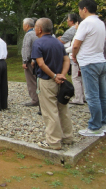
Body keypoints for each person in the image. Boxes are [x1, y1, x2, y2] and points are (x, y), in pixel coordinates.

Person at [31, 18, 73, 150]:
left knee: (50, 111)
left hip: (47, 81)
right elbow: (67, 60)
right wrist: (62, 75)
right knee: (63, 108)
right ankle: (67, 137)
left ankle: (53, 141)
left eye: (35, 27)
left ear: (39, 29)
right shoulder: (58, 42)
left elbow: (41, 63)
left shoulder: (38, 43)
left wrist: (54, 76)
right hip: (61, 81)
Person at [72, 0, 106, 137]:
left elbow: (76, 44)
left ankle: (95, 127)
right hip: (101, 61)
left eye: (79, 9)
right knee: (103, 94)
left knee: (92, 96)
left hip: (89, 62)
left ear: (84, 9)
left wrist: (74, 56)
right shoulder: (101, 23)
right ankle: (105, 123)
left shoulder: (85, 23)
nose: (79, 12)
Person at [65, 19, 85, 105]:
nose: (75, 25)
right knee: (81, 78)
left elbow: (75, 46)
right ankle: (83, 96)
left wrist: (64, 49)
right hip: (79, 57)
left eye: (76, 23)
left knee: (75, 78)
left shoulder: (79, 34)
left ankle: (78, 98)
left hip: (75, 57)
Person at [21, 18, 39, 106]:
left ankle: (35, 99)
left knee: (31, 80)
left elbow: (26, 48)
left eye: (23, 24)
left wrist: (25, 61)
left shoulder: (28, 35)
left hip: (30, 61)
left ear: (27, 25)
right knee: (37, 79)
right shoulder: (37, 33)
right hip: (37, 59)